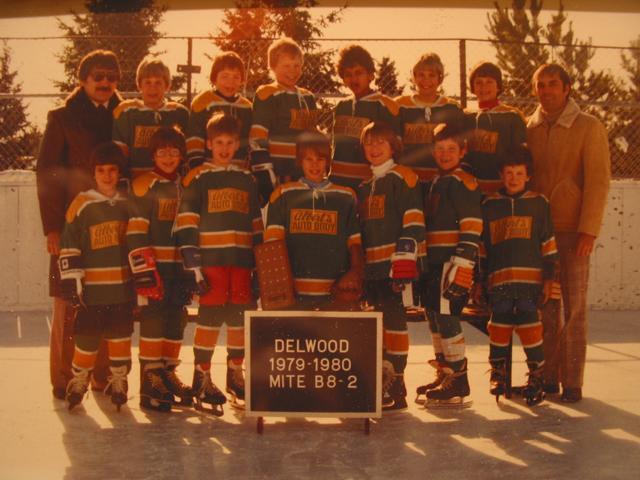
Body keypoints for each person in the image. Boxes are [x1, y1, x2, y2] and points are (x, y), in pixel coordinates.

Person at [36, 49, 122, 400]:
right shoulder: (62, 118)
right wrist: (52, 228)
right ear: (82, 80)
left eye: (111, 76)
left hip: (112, 223)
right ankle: (63, 380)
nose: (105, 83)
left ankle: (103, 378)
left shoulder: (125, 116)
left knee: (109, 298)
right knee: (68, 301)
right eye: (97, 76)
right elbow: (47, 173)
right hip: (71, 226)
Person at [527, 63, 611, 403]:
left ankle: (573, 380)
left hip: (573, 230)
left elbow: (598, 181)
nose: (546, 90)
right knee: (546, 304)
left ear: (567, 88)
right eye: (540, 85)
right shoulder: (529, 127)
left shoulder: (588, 126)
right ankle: (547, 375)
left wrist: (588, 230)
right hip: (538, 234)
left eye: (553, 84)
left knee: (574, 307)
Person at [176, 112, 263, 414]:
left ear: (237, 144)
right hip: (212, 262)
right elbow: (187, 221)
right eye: (219, 143)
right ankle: (201, 376)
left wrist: (259, 261)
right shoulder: (199, 177)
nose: (225, 148)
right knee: (210, 320)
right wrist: (194, 264)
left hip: (240, 261)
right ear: (209, 144)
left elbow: (255, 223)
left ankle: (235, 373)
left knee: (240, 321)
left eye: (230, 143)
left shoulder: (246, 179)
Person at [476, 145, 558, 406]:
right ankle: (499, 374)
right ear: (501, 174)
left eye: (519, 173)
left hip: (529, 282)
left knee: (530, 328)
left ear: (528, 176)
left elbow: (548, 243)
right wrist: (479, 281)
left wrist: (549, 278)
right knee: (498, 328)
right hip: (499, 281)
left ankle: (536, 377)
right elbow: (483, 248)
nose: (513, 178)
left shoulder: (538, 203)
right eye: (509, 172)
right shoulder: (490, 204)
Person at [59, 142, 134, 411]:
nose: (107, 175)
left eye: (112, 170)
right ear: (93, 173)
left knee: (120, 336)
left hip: (121, 288)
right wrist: (73, 280)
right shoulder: (82, 203)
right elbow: (69, 241)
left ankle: (118, 380)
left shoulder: (128, 203)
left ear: (119, 172)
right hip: (92, 288)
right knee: (87, 338)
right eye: (101, 170)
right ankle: (80, 378)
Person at [357, 121, 426, 411]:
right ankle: (381, 378)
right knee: (376, 325)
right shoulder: (364, 186)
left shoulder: (404, 177)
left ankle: (396, 380)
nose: (374, 148)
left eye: (380, 143)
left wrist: (403, 262)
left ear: (393, 147)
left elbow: (413, 221)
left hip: (393, 268)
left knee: (395, 324)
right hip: (371, 268)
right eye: (369, 143)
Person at [127, 127, 193, 412]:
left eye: (174, 151)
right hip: (154, 267)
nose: (168, 157)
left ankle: (168, 372)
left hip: (179, 267)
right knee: (153, 319)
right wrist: (144, 271)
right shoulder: (144, 185)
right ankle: (151, 377)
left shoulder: (187, 186)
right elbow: (136, 230)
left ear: (182, 155)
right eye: (162, 152)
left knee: (176, 319)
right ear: (153, 154)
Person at [417, 123, 482, 409]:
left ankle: (459, 376)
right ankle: (444, 372)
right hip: (433, 261)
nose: (445, 154)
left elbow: (472, 225)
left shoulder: (463, 181)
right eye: (440, 149)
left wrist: (463, 263)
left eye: (451, 150)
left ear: (463, 151)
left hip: (451, 262)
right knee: (433, 316)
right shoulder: (435, 181)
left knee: (447, 316)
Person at [265, 130, 364, 310]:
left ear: (328, 161)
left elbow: (355, 242)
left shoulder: (345, 196)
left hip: (334, 289)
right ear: (299, 161)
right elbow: (273, 246)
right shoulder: (283, 194)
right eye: (308, 159)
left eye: (320, 159)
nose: (315, 165)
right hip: (294, 290)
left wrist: (355, 272)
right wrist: (280, 288)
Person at [249, 37, 319, 203]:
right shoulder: (267, 93)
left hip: (303, 171)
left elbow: (312, 136)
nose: (293, 71)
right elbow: (258, 138)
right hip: (278, 171)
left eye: (297, 66)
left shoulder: (308, 97)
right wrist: (264, 173)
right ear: (273, 67)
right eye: (286, 66)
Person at [331, 45, 400, 191]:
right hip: (338, 179)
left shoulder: (383, 105)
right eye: (348, 74)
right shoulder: (341, 106)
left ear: (371, 75)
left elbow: (395, 148)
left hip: (369, 181)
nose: (353, 78)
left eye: (359, 73)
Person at [112, 57, 189, 179]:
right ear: (139, 85)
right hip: (136, 178)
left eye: (158, 82)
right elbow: (120, 154)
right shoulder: (127, 112)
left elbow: (184, 154)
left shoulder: (179, 112)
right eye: (147, 82)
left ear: (167, 86)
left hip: (169, 179)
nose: (153, 87)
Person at [396, 53, 464, 183]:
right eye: (421, 75)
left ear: (440, 78)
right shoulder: (400, 105)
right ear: (414, 77)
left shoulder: (451, 107)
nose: (426, 80)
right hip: (408, 178)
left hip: (442, 178)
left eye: (431, 75)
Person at [463, 61, 527, 195]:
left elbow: (520, 157)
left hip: (503, 188)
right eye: (479, 82)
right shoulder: (466, 116)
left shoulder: (512, 116)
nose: (483, 86)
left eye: (489, 82)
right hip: (472, 188)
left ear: (498, 86)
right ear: (472, 87)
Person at [186, 51, 252, 170]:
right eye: (225, 76)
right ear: (214, 78)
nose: (230, 81)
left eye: (236, 77)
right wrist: (196, 163)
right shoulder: (203, 101)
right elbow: (194, 135)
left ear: (242, 80)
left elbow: (249, 138)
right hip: (209, 166)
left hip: (239, 167)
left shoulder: (247, 106)